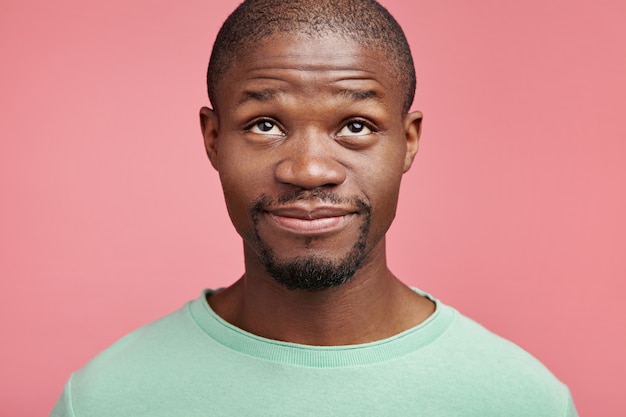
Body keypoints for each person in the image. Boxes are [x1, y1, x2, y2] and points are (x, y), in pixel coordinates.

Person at [51, 0, 578, 416]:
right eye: (265, 124)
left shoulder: (522, 402)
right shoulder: (105, 400)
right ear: (212, 139)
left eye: (356, 126)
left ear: (409, 142)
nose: (307, 170)